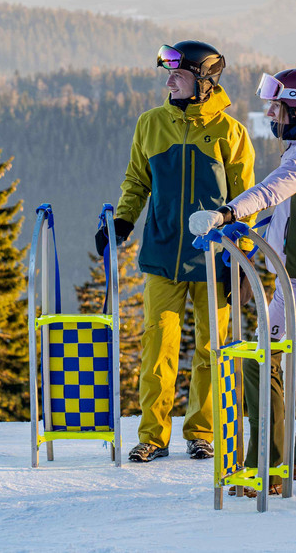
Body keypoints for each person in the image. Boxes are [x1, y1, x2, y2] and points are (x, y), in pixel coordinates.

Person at [189, 67, 296, 493]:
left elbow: (272, 190)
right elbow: (287, 212)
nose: (269, 115)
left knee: (260, 360)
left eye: (276, 107)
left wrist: (226, 213)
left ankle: (266, 468)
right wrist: (249, 229)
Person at [98, 40, 255, 463]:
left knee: (211, 350)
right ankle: (153, 435)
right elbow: (137, 180)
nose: (169, 82)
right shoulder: (151, 123)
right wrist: (123, 221)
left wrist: (241, 257)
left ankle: (201, 433)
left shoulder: (231, 133)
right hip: (163, 253)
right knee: (157, 348)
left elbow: (247, 200)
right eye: (168, 74)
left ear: (204, 82)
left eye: (179, 75)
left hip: (215, 258)